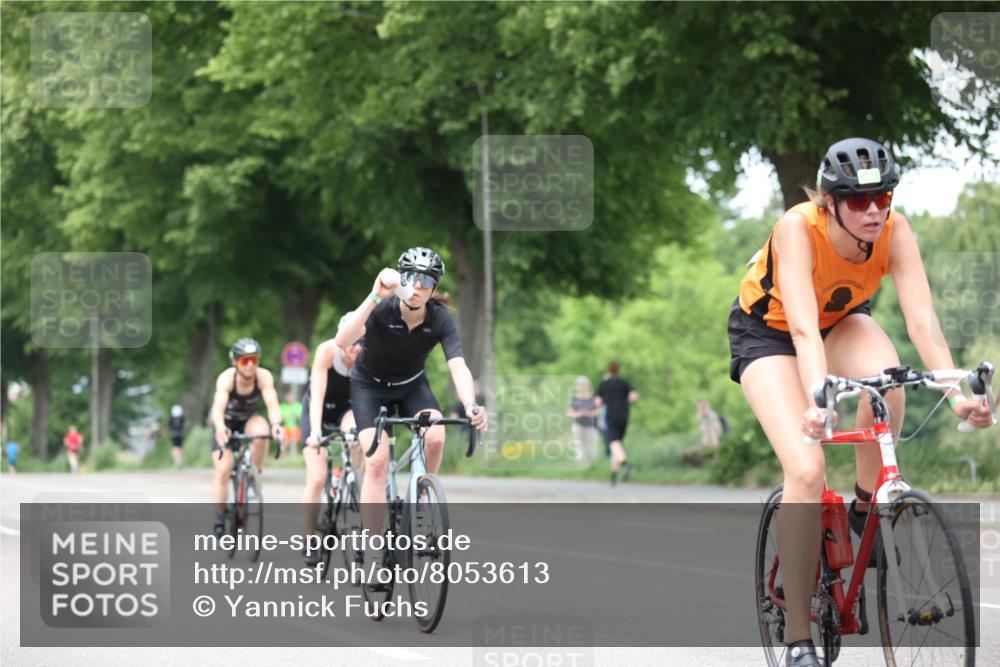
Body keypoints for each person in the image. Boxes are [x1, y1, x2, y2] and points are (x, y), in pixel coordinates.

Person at [728, 138, 994, 666]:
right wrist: (817, 403)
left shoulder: (894, 230)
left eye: (883, 197)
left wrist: (955, 395)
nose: (874, 211)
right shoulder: (797, 227)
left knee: (888, 382)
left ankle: (864, 506)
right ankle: (799, 636)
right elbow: (802, 328)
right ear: (830, 202)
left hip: (841, 321)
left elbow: (922, 322)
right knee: (805, 469)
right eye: (857, 201)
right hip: (772, 334)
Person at [335, 247, 487, 568]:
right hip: (369, 387)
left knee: (435, 435)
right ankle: (373, 548)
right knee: (377, 463)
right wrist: (374, 296)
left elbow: (458, 366)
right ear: (402, 279)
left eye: (426, 282)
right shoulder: (382, 309)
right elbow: (342, 340)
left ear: (434, 289)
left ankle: (422, 503)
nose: (417, 287)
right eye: (411, 279)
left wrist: (471, 404)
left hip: (411, 385)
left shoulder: (440, 319)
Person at [301, 316, 364, 565]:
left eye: (362, 341)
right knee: (316, 478)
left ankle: (353, 481)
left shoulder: (367, 356)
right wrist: (315, 432)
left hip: (346, 412)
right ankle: (308, 538)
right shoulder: (327, 352)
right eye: (352, 341)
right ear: (341, 339)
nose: (357, 347)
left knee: (358, 436)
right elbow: (317, 395)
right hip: (318, 412)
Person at [208, 338, 285, 537]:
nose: (250, 365)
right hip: (225, 423)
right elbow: (217, 408)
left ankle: (253, 476)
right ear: (235, 361)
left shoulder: (263, 376)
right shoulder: (227, 378)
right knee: (223, 470)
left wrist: (277, 425)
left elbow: (272, 403)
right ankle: (218, 516)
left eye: (254, 360)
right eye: (245, 361)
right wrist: (219, 427)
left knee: (261, 432)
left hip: (248, 420)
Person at [595, 361, 638, 485]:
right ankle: (614, 475)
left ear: (608, 371)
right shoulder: (625, 383)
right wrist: (627, 402)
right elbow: (634, 397)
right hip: (624, 417)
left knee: (613, 444)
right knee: (617, 445)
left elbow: (597, 402)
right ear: (618, 371)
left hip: (611, 417)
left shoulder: (604, 384)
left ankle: (625, 464)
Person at [567, 376, 599, 462]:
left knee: (591, 445)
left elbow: (598, 411)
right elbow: (569, 412)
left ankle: (593, 464)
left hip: (591, 425)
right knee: (579, 445)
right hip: (578, 425)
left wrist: (588, 413)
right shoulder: (574, 398)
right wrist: (580, 413)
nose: (582, 386)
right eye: (580, 384)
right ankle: (580, 464)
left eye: (584, 384)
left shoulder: (593, 397)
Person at [168, 404, 185, 469]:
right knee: (180, 448)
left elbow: (169, 428)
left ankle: (177, 461)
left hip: (174, 435)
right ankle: (180, 460)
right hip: (181, 435)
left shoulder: (171, 419)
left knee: (175, 448)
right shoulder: (182, 419)